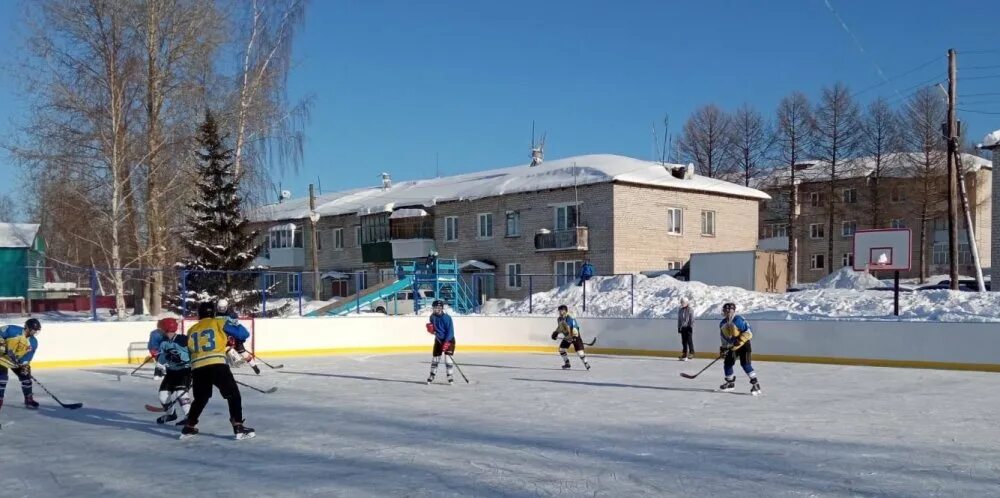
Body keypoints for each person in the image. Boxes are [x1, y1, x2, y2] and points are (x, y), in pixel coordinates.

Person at [181, 302, 255, 440]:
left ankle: (189, 427)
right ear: (213, 313)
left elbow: (190, 352)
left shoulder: (191, 330)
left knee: (200, 399)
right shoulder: (219, 322)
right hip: (217, 364)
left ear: (199, 314)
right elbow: (243, 333)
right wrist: (234, 327)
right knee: (233, 395)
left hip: (198, 367)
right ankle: (238, 426)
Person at [153, 318, 192, 425]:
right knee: (163, 395)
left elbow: (193, 354)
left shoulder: (184, 340)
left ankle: (190, 417)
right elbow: (162, 357)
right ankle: (171, 414)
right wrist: (159, 368)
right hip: (171, 373)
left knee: (181, 393)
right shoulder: (163, 343)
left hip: (185, 371)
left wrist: (181, 357)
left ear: (165, 328)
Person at [718, 302, 760, 395]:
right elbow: (723, 338)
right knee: (728, 364)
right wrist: (723, 348)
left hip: (744, 345)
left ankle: (756, 384)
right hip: (732, 346)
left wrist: (740, 339)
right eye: (726, 310)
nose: (728, 312)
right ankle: (730, 383)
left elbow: (749, 333)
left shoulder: (738, 320)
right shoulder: (722, 323)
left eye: (730, 310)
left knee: (745, 364)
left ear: (734, 311)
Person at [0, 318, 41, 413]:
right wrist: (2, 345)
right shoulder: (12, 330)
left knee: (26, 378)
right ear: (27, 328)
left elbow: (27, 357)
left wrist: (25, 366)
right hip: (1, 358)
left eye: (36, 330)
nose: (35, 332)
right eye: (34, 329)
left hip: (15, 361)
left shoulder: (33, 342)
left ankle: (28, 399)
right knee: (2, 379)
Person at [551, 305, 590, 370]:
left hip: (575, 335)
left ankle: (586, 363)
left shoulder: (569, 318)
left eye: (562, 310)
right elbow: (560, 327)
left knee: (580, 352)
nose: (560, 312)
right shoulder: (559, 319)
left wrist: (574, 336)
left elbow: (574, 327)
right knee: (561, 349)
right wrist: (556, 333)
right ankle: (567, 363)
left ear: (565, 311)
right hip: (567, 337)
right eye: (559, 311)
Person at [426, 300, 455, 385]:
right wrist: (431, 330)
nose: (437, 309)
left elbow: (451, 332)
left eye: (439, 308)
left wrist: (446, 342)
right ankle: (432, 375)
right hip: (438, 340)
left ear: (442, 308)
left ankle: (450, 376)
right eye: (435, 308)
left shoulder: (447, 318)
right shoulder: (432, 317)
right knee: (435, 358)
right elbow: (434, 329)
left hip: (449, 340)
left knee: (448, 358)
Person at [223, 310, 260, 375]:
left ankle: (254, 367)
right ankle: (254, 366)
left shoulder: (227, 324)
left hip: (233, 343)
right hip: (233, 342)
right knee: (228, 355)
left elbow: (243, 334)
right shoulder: (232, 324)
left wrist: (240, 340)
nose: (236, 320)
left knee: (227, 355)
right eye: (235, 318)